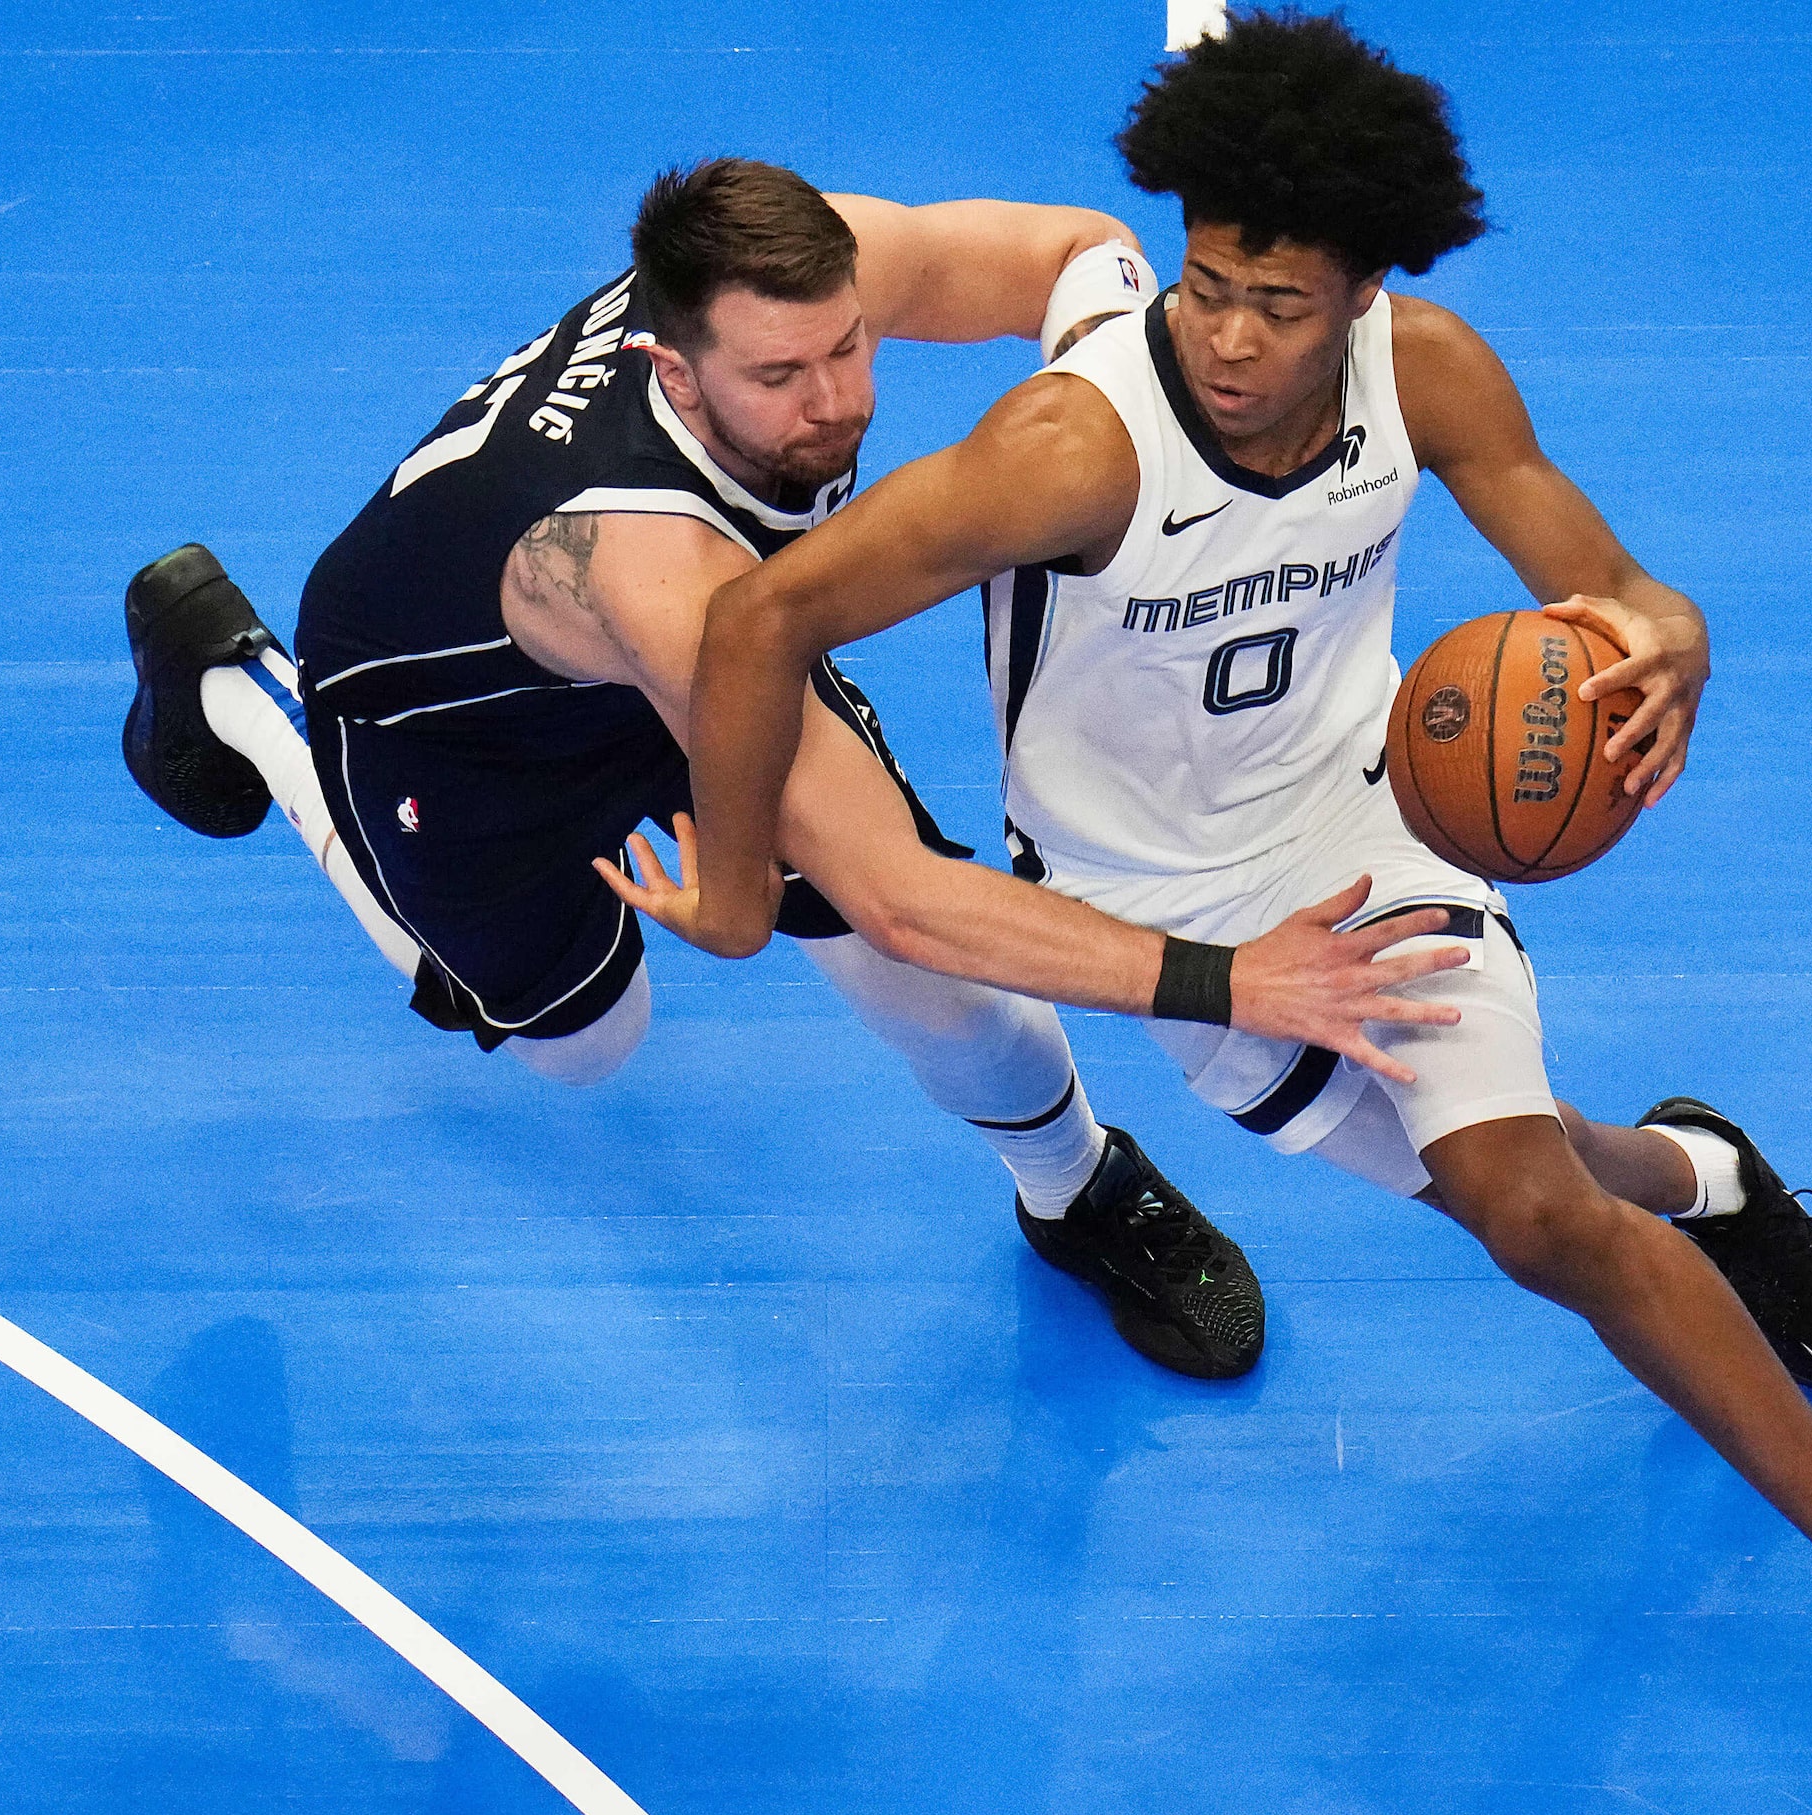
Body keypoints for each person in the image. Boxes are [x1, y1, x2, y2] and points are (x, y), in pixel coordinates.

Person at [645, 17, 1812, 1815]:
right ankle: (1710, 1177)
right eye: (1208, 284)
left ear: (1365, 293)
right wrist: (744, 898)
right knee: (1517, 1183)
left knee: (1532, 1215)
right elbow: (760, 626)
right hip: (1154, 925)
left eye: (1281, 304)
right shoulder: (1068, 454)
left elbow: (1607, 583)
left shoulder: (1430, 373)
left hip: (1370, 835)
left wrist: (1665, 634)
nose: (1229, 337)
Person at [119, 160, 1481, 1382]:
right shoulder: (658, 570)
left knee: (943, 1001)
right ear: (673, 372)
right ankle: (242, 690)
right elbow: (900, 894)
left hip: (718, 656)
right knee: (586, 1047)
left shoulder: (817, 279)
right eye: (781, 380)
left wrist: (1134, 418)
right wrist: (1229, 977)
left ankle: (1074, 1186)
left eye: (848, 351)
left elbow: (1075, 252)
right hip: (459, 732)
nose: (835, 405)